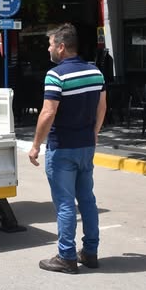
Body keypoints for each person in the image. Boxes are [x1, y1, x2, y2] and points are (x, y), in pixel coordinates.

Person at [28, 23, 107, 274]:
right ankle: (91, 252)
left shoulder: (56, 75)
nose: (49, 48)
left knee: (64, 204)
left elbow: (48, 112)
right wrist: (94, 133)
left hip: (62, 148)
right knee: (87, 200)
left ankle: (66, 257)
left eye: (51, 44)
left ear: (62, 47)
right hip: (86, 145)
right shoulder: (95, 72)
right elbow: (102, 106)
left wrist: (35, 145)